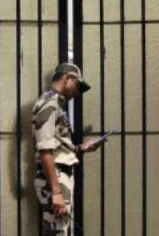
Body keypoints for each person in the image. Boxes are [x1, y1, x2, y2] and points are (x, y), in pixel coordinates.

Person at [32, 62, 106, 235]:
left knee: (60, 231)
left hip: (58, 176)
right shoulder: (49, 104)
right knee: (57, 232)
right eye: (77, 85)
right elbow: (45, 150)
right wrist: (56, 191)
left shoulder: (55, 105)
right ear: (66, 78)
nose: (77, 92)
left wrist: (81, 148)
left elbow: (57, 147)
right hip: (54, 179)